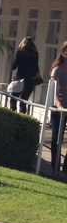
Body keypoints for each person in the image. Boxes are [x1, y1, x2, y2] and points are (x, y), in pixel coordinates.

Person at [49, 41, 67, 177]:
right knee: (56, 138)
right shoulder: (57, 69)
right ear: (63, 52)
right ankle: (54, 166)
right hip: (57, 108)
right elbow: (53, 90)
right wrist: (59, 104)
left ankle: (65, 166)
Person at [9, 36, 40, 114]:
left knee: (13, 98)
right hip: (30, 80)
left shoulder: (20, 52)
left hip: (20, 79)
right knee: (24, 100)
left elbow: (14, 66)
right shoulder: (35, 53)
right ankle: (22, 117)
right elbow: (36, 67)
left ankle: (12, 114)